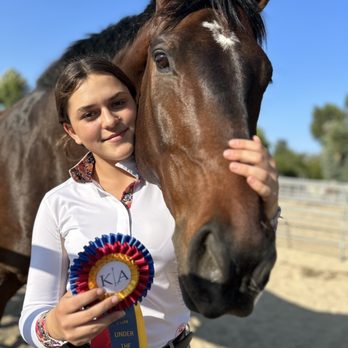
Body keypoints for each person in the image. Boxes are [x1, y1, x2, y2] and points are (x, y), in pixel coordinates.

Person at [19, 57, 280, 348]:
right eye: (90, 115)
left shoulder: (177, 190)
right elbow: (32, 316)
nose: (109, 120)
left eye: (118, 103)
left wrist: (266, 208)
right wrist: (54, 326)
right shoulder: (57, 203)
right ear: (72, 131)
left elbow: (241, 281)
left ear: (138, 103)